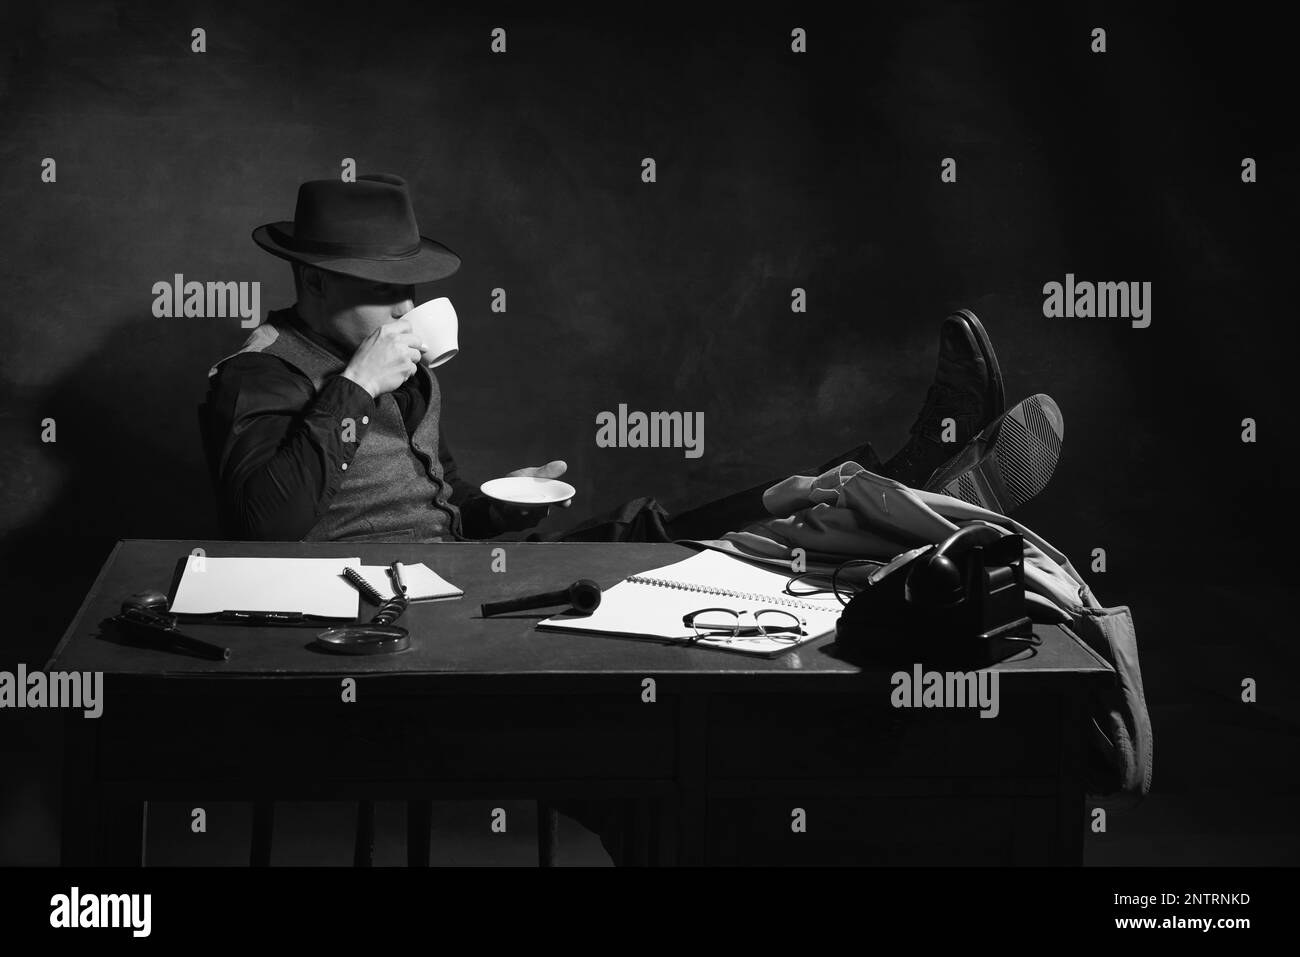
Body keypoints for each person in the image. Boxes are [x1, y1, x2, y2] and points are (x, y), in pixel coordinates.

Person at [203, 172, 1064, 864]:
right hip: (385, 635)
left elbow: (433, 508)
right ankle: (913, 496)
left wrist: (493, 505)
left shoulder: (406, 368)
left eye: (410, 288)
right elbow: (263, 522)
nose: (403, 309)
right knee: (645, 677)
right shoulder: (259, 375)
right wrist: (357, 383)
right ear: (313, 279)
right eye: (379, 288)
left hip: (460, 583)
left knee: (655, 535)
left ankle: (892, 482)